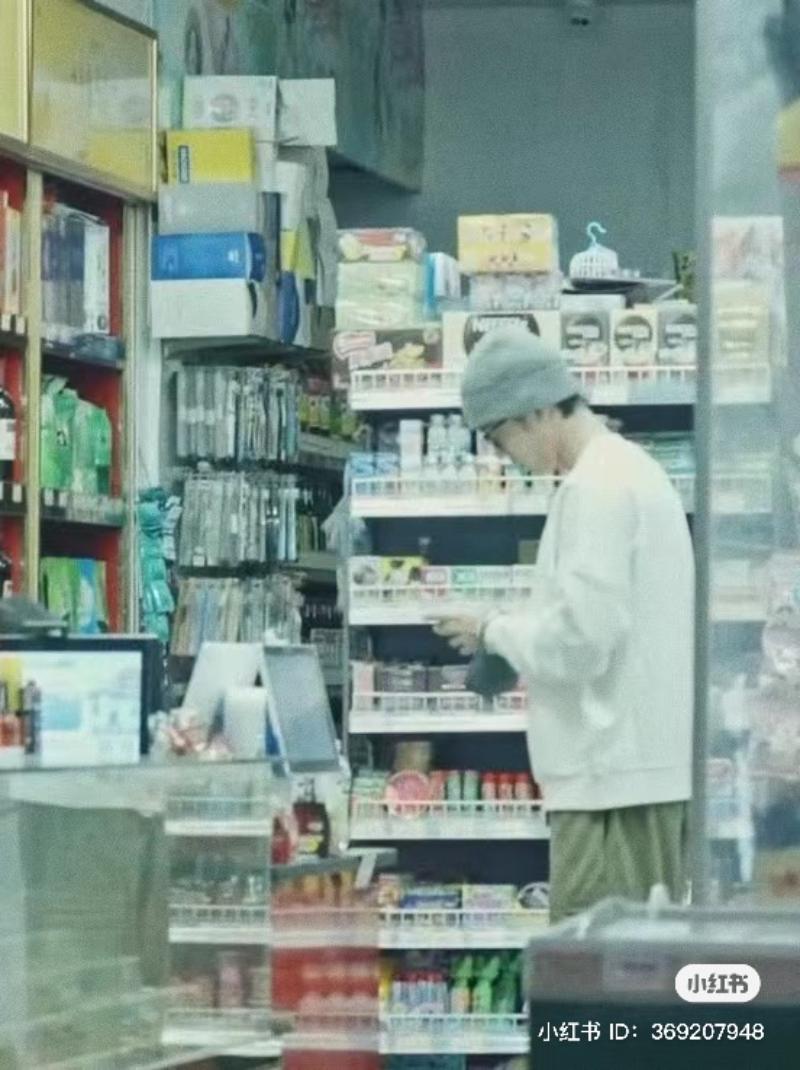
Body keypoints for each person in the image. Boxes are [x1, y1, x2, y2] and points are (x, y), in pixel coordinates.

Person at [433, 326, 694, 923]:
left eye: (499, 437)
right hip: (633, 774)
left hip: (611, 784)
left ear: (537, 410)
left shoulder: (595, 489)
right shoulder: (631, 472)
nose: (505, 455)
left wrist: (494, 630)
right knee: (635, 957)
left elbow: (580, 643)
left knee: (596, 964)